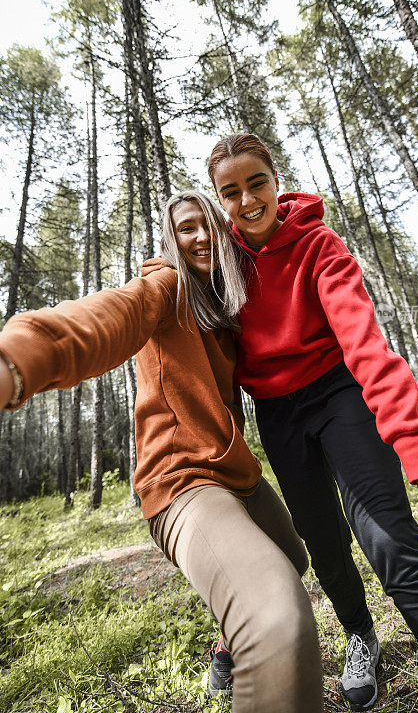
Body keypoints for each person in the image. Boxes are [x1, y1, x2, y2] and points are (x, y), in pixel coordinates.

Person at [208, 132, 418, 713]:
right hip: (277, 413)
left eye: (256, 183)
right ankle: (358, 635)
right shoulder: (219, 263)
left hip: (338, 392)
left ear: (275, 181)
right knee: (324, 543)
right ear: (219, 200)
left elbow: (366, 346)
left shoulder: (319, 245)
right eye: (231, 192)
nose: (247, 201)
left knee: (395, 551)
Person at [0, 190, 324, 713]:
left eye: (207, 227)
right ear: (171, 242)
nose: (199, 238)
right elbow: (113, 315)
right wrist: (19, 359)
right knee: (275, 617)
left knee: (292, 558)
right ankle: (243, 645)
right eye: (185, 229)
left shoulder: (227, 310)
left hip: (237, 474)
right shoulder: (167, 286)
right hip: (182, 482)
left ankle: (223, 647)